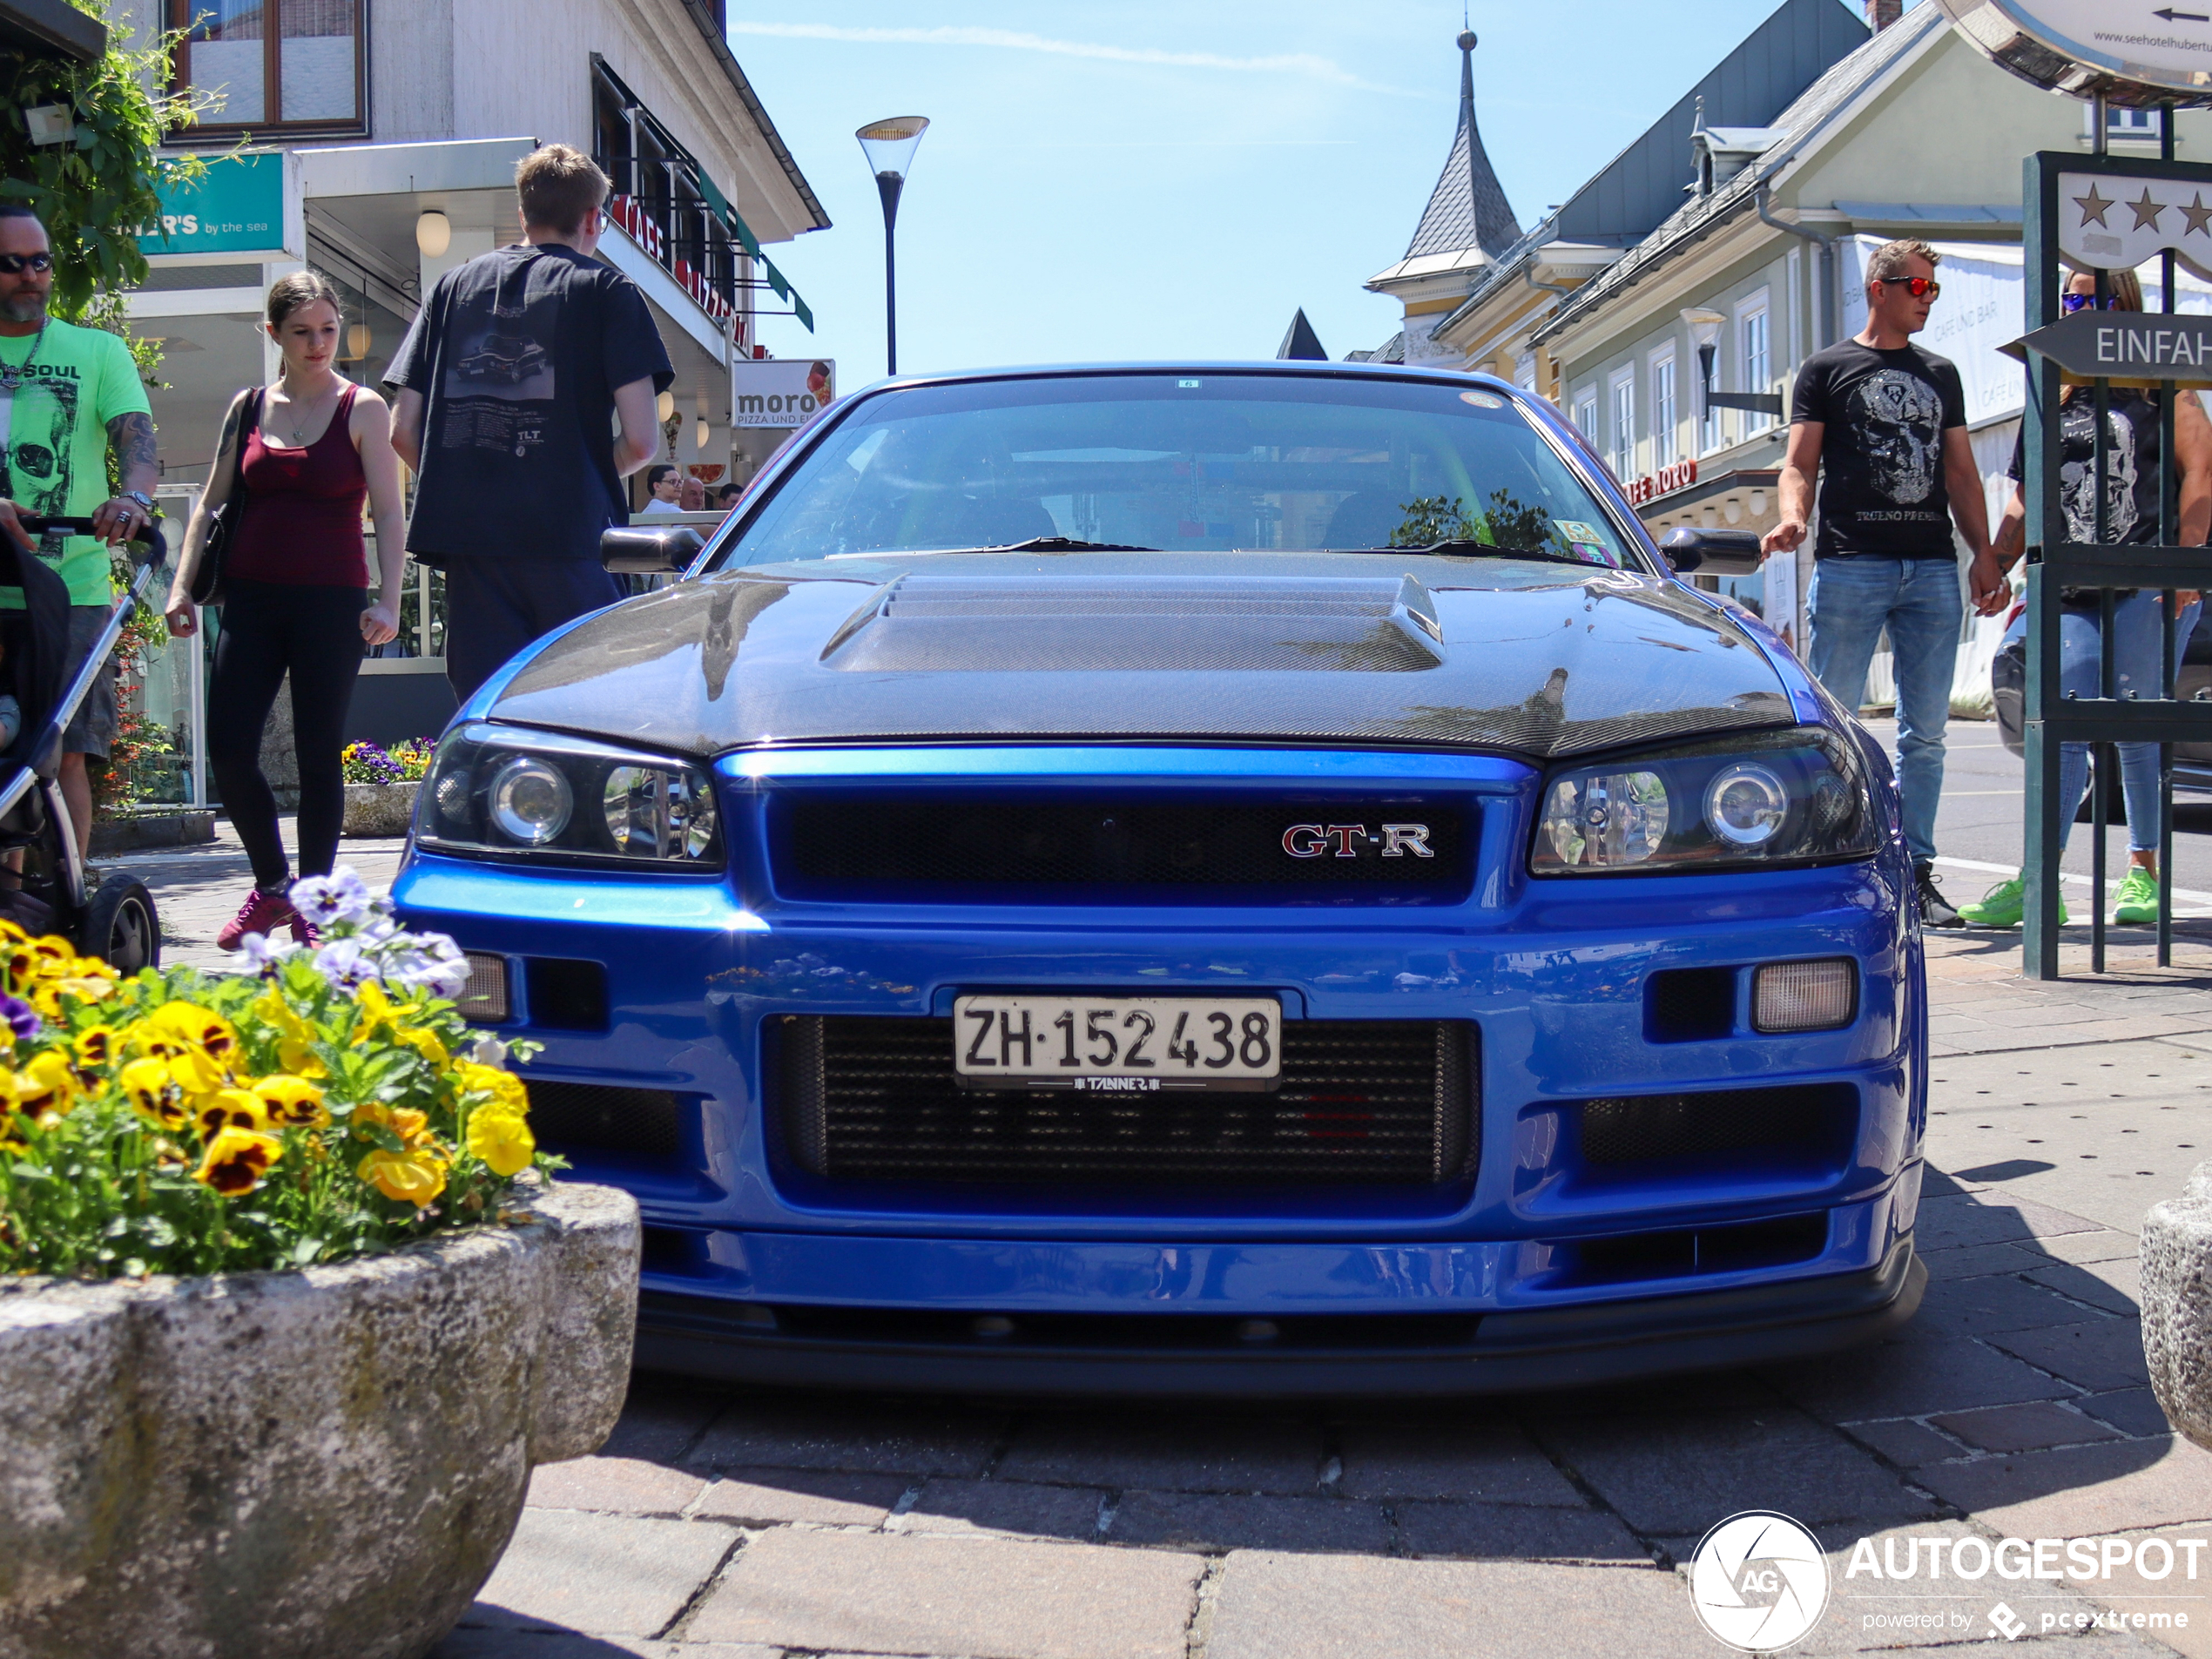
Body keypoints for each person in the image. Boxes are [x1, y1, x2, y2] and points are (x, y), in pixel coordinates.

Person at [1762, 238, 2007, 927]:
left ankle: (1916, 871)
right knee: (1829, 725)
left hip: (1931, 564)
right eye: (1918, 287)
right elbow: (1798, 465)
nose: (1928, 298)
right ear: (1880, 288)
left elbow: (1959, 471)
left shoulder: (1941, 373)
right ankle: (1826, 862)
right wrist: (1792, 519)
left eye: (1934, 289)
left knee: (1924, 735)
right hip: (1850, 562)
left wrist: (1982, 552)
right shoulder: (1827, 369)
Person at [1959, 266, 2212, 928]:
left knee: (2137, 721)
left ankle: (2143, 873)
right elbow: (2023, 496)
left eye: (2093, 296)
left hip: (2146, 575)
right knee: (2059, 720)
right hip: (2069, 579)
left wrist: (2186, 562)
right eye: (2071, 297)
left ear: (2123, 306)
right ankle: (2041, 878)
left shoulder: (2166, 387)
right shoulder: (2051, 391)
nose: (2080, 306)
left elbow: (2200, 476)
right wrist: (1995, 561)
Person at [165, 272, 409, 949]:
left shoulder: (363, 407)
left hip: (332, 603)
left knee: (315, 753)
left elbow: (389, 512)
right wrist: (181, 588)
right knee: (230, 749)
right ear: (273, 334)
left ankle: (315, 902)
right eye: (302, 332)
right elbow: (209, 505)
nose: (318, 344)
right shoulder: (247, 407)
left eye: (328, 330)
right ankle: (272, 886)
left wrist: (389, 599)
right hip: (249, 597)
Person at [386, 144, 672, 702]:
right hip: (572, 542)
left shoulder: (452, 288)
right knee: (584, 719)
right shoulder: (609, 292)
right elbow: (641, 441)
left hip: (473, 548)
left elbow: (403, 429)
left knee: (489, 721)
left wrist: (468, 480)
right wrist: (578, 468)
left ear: (522, 214)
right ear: (594, 219)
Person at [0, 206, 159, 860]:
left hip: (75, 588)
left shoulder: (96, 351)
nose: (31, 276)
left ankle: (66, 905)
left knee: (63, 754)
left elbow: (139, 442)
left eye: (40, 261)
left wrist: (134, 497)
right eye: (13, 264)